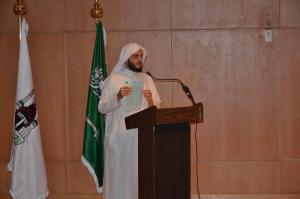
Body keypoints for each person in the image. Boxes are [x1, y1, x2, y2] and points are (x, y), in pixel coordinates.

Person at [98, 43, 161, 199]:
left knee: (140, 177)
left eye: (141, 56)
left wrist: (151, 102)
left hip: (142, 138)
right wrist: (118, 96)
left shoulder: (147, 79)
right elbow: (101, 107)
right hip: (121, 139)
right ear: (126, 59)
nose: (140, 60)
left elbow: (157, 106)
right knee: (121, 180)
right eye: (136, 56)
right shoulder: (113, 80)